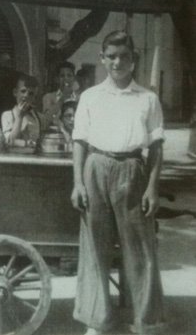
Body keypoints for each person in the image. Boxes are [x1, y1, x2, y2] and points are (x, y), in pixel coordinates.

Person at [71, 31, 165, 335]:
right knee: (95, 248)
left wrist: (152, 187)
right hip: (95, 167)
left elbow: (157, 146)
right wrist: (78, 183)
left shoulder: (148, 99)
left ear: (134, 60)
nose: (117, 62)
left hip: (132, 171)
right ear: (102, 59)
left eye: (124, 56)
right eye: (111, 56)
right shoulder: (90, 96)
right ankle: (96, 321)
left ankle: (146, 322)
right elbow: (79, 142)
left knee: (139, 251)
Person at [1, 74, 46, 147]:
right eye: (23, 91)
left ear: (34, 97)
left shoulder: (40, 118)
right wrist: (19, 117)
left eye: (31, 94)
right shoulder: (8, 115)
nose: (26, 95)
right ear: (15, 92)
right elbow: (9, 142)